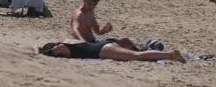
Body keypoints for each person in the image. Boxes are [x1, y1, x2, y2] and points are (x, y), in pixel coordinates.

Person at [70, 0, 138, 50]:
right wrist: (83, 43)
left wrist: (105, 30)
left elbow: (97, 32)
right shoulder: (79, 14)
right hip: (86, 46)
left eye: (94, 4)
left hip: (93, 42)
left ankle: (140, 51)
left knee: (124, 40)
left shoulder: (91, 12)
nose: (91, 6)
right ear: (84, 0)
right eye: (89, 3)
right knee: (114, 46)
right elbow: (74, 30)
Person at [35, 40, 185, 63]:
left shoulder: (60, 47)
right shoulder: (67, 43)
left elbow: (48, 52)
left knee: (135, 56)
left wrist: (38, 50)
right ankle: (166, 54)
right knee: (134, 55)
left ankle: (170, 54)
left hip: (101, 50)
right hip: (103, 45)